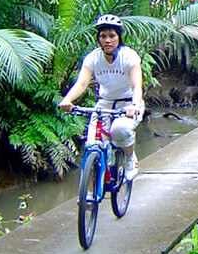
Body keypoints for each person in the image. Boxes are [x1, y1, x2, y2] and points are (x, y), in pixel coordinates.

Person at [59, 14, 144, 180]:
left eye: (112, 36)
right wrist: (67, 100)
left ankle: (130, 158)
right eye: (103, 36)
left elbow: (136, 86)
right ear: (98, 39)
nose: (107, 40)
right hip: (104, 104)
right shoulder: (93, 58)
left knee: (119, 129)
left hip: (128, 104)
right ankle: (89, 196)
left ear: (119, 37)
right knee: (92, 145)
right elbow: (82, 84)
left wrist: (134, 106)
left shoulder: (130, 57)